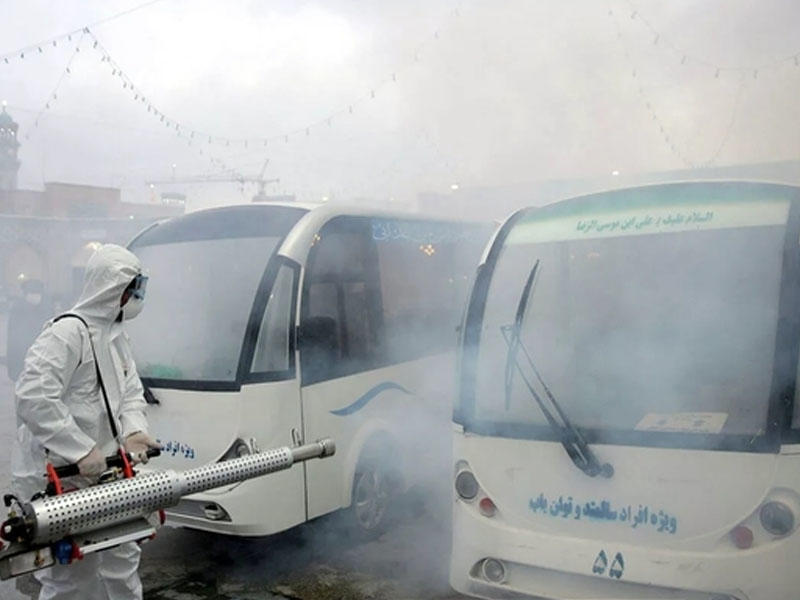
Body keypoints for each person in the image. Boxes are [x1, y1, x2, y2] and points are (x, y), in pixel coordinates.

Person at [11, 244, 160, 600]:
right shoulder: (66, 334)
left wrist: (135, 430)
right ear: (112, 290)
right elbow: (34, 396)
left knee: (122, 561)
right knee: (72, 578)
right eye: (131, 288)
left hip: (110, 476)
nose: (135, 297)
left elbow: (130, 393)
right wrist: (79, 449)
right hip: (64, 478)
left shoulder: (117, 338)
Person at [6, 278, 54, 381]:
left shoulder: (47, 309)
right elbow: (12, 337)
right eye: (32, 294)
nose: (35, 297)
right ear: (26, 295)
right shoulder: (17, 309)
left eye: (37, 294)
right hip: (22, 354)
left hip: (42, 355)